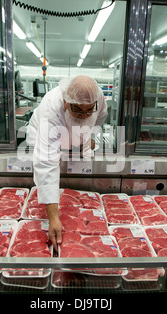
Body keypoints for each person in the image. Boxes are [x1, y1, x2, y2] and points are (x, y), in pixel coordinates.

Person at [27, 75, 108, 250]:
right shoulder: (51, 110)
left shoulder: (97, 97)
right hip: (42, 136)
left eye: (88, 111)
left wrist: (92, 134)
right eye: (78, 110)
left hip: (77, 140)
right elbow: (47, 163)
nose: (84, 115)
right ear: (65, 101)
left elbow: (100, 116)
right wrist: (54, 218)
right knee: (47, 162)